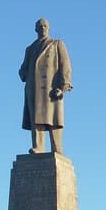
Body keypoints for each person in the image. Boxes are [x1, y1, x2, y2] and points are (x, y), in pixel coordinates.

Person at [19, 18, 72, 154]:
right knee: (36, 119)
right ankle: (38, 146)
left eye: (45, 26)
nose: (43, 28)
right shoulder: (30, 49)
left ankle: (57, 148)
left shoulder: (56, 44)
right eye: (40, 26)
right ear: (36, 29)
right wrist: (23, 73)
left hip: (51, 88)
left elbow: (65, 65)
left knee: (53, 119)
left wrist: (64, 85)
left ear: (48, 28)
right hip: (34, 88)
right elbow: (23, 69)